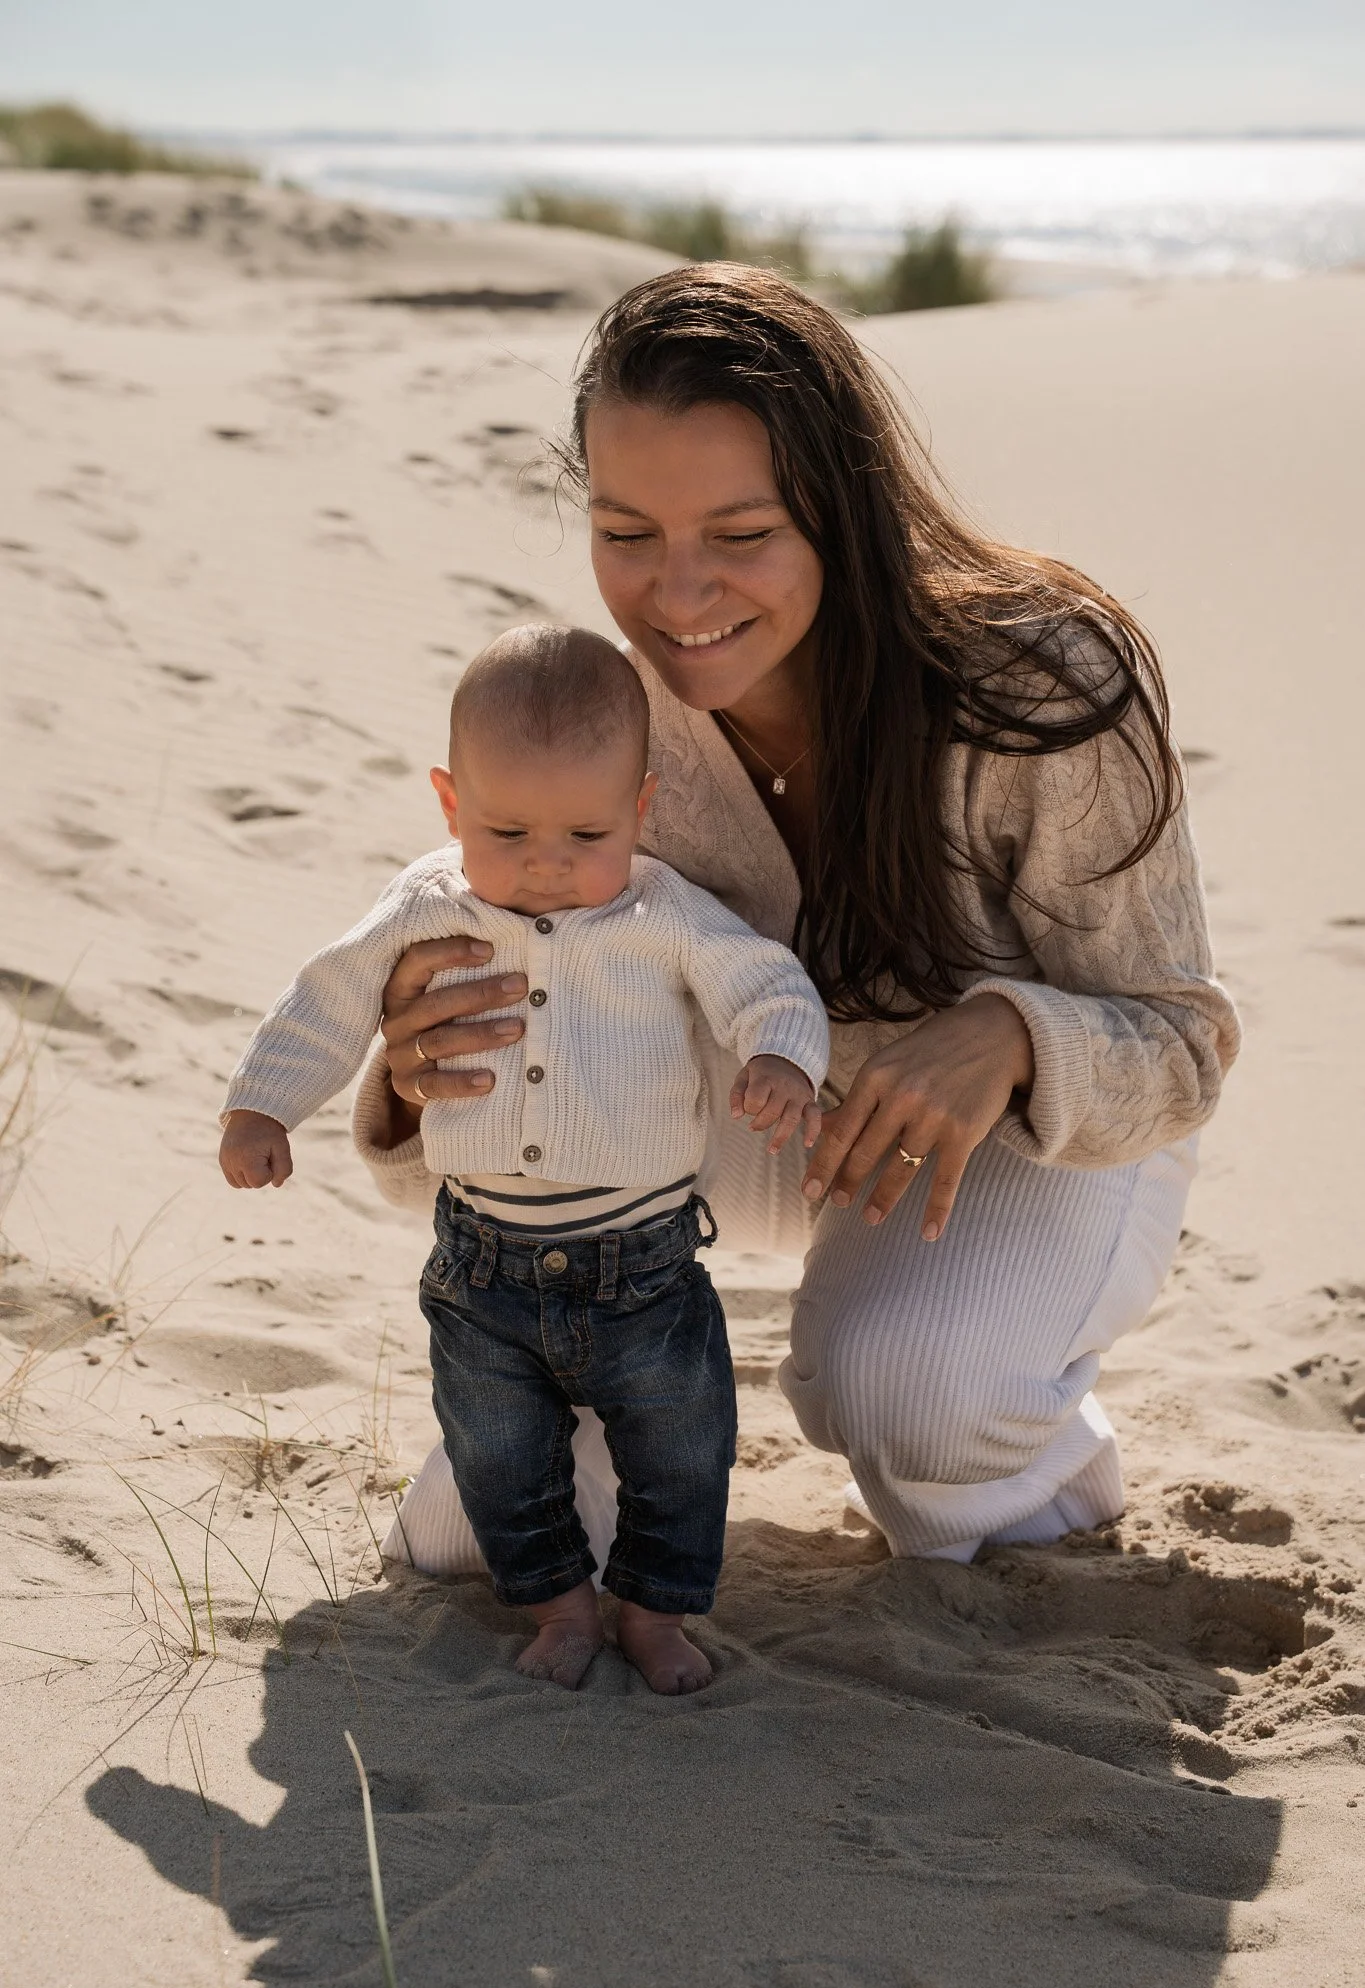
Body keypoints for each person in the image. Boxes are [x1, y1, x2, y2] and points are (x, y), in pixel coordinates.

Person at [357, 263, 1240, 1575]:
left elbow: (1177, 1045)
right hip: (751, 1122)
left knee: (902, 1396)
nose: (677, 592)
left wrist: (1004, 1036)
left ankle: (1037, 1466)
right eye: (626, 530)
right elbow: (470, 1144)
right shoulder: (603, 726)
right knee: (466, 1542)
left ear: (843, 507)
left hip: (1018, 1140)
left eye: (741, 532)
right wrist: (416, 1082)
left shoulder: (1038, 680)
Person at [218, 624, 828, 1692]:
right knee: (500, 1456)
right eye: (507, 830)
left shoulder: (662, 911)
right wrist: (263, 1107)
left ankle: (655, 1607)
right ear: (451, 805)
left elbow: (764, 981)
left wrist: (782, 1053)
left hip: (643, 1266)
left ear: (640, 809)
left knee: (683, 1449)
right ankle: (559, 1607)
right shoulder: (426, 902)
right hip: (482, 1267)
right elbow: (330, 998)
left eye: (586, 831)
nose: (547, 861)